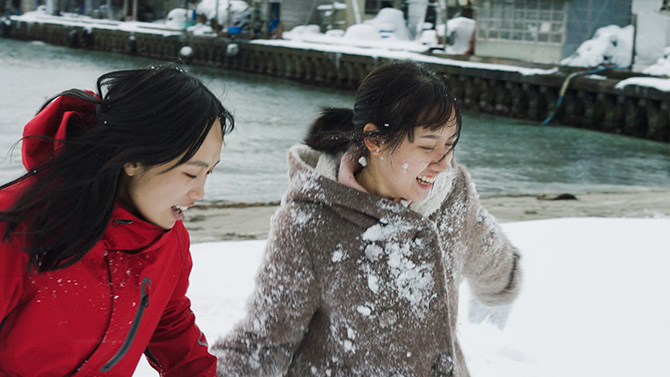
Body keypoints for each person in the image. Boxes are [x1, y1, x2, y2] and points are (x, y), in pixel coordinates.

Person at [212, 60, 522, 377]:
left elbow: (491, 253)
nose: (442, 164)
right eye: (428, 146)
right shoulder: (311, 222)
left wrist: (501, 292)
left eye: (449, 145)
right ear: (374, 140)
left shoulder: (452, 195)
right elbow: (261, 344)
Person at [0, 64, 234, 376]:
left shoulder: (170, 242)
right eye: (191, 172)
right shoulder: (16, 228)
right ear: (134, 158)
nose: (201, 191)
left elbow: (169, 320)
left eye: (209, 172)